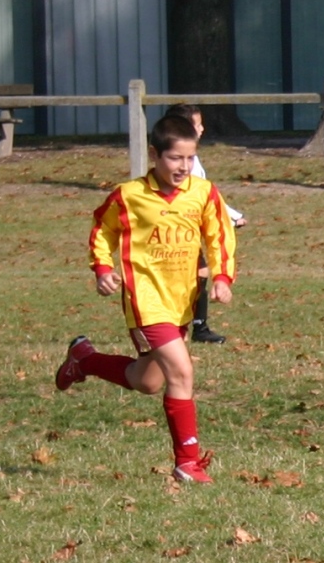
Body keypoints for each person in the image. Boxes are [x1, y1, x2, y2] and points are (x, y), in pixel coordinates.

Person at [55, 114, 236, 484]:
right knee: (182, 372)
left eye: (189, 159)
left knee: (147, 381)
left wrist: (220, 276)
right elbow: (102, 231)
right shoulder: (129, 195)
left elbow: (219, 235)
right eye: (175, 159)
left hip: (181, 299)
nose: (183, 167)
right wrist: (103, 269)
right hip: (146, 300)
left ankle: (85, 359)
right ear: (155, 155)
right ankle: (187, 462)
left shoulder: (203, 193)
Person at [165, 104, 247, 344]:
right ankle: (174, 325)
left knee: (200, 270)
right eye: (198, 124)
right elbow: (201, 195)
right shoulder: (181, 162)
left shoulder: (190, 159)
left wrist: (230, 215)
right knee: (182, 273)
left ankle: (198, 327)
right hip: (176, 224)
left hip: (188, 222)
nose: (202, 129)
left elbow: (206, 193)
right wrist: (231, 217)